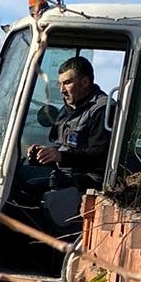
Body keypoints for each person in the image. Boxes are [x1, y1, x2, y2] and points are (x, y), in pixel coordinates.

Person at [27, 56, 110, 192]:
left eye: (67, 83)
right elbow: (60, 145)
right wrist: (44, 153)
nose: (62, 90)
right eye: (60, 84)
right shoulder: (68, 109)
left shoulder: (102, 109)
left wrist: (61, 157)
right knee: (21, 184)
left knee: (34, 191)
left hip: (89, 179)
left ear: (85, 82)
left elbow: (100, 156)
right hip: (65, 173)